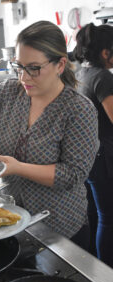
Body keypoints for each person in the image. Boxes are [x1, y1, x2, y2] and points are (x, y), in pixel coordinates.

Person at [0, 21, 98, 248]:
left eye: (34, 68)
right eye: (19, 66)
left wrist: (17, 168)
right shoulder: (10, 91)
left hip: (60, 228)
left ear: (60, 65)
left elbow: (73, 174)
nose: (24, 78)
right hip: (10, 219)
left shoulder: (78, 110)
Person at [73, 22, 113, 268]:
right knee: (108, 218)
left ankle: (92, 266)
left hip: (87, 154)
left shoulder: (81, 72)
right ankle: (107, 275)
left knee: (93, 214)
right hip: (103, 157)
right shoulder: (103, 77)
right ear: (105, 52)